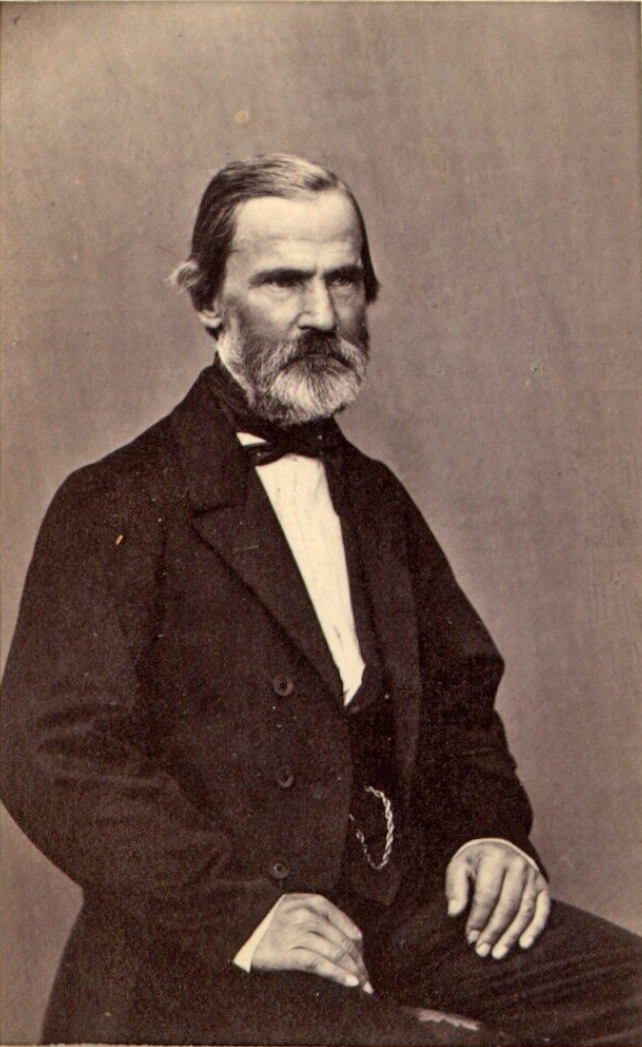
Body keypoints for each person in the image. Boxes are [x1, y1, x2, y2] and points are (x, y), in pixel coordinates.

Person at [1, 153, 640, 1047]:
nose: (321, 315)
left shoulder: (376, 499)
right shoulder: (116, 501)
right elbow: (52, 752)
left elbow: (459, 702)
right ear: (207, 301)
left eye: (343, 280)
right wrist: (243, 916)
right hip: (201, 948)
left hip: (390, 915)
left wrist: (487, 835)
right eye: (283, 281)